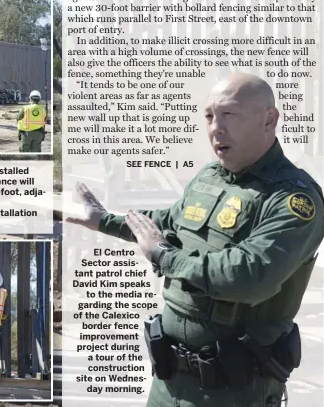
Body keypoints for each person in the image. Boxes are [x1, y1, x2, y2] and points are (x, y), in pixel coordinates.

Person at [68, 73, 324, 407]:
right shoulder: (208, 178)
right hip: (169, 383)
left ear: (269, 120)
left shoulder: (293, 199)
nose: (216, 127)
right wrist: (104, 221)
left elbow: (248, 276)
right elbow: (165, 224)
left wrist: (164, 257)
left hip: (234, 392)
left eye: (230, 114)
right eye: (209, 116)